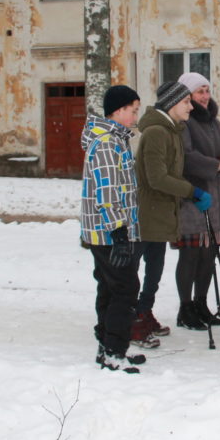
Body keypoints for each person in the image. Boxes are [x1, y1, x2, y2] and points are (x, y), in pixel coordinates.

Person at [132, 81, 212, 344]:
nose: (191, 106)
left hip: (163, 213)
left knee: (155, 268)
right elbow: (157, 178)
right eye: (186, 102)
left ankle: (144, 312)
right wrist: (192, 192)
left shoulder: (173, 131)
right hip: (147, 214)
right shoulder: (156, 132)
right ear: (172, 103)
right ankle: (131, 319)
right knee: (134, 270)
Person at [80, 85, 145, 373]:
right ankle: (114, 352)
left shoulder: (115, 140)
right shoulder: (107, 143)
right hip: (109, 233)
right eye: (133, 111)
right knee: (125, 290)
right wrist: (119, 233)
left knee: (109, 288)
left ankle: (108, 348)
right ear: (118, 111)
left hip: (106, 231)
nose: (135, 116)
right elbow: (107, 191)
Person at [174, 72, 220, 330]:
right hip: (194, 194)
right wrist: (218, 164)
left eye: (206, 90)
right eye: (199, 91)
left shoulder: (214, 121)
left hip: (217, 195)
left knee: (209, 255)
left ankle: (201, 303)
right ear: (188, 95)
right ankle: (185, 307)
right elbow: (187, 157)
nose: (204, 96)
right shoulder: (184, 122)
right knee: (191, 254)